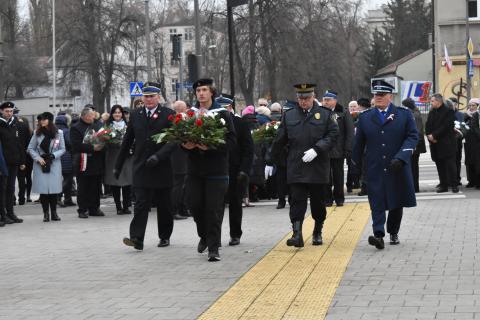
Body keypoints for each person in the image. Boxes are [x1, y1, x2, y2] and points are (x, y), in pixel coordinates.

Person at [352, 80, 418, 250]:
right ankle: (378, 235)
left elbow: (412, 137)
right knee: (376, 201)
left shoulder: (404, 114)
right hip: (374, 167)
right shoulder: (365, 117)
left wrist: (402, 157)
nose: (378, 98)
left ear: (391, 96)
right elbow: (358, 144)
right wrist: (355, 165)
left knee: (397, 200)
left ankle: (393, 231)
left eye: (382, 95)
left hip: (397, 166)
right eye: (376, 95)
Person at [271, 83, 339, 247]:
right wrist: (270, 160)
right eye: (300, 98)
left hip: (317, 165)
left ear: (313, 96)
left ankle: (317, 230)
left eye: (307, 98)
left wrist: (317, 149)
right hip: (297, 165)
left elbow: (333, 134)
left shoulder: (325, 114)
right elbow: (280, 139)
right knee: (296, 201)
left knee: (318, 203)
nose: (303, 102)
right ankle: (297, 233)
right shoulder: (290, 115)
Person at [115, 82, 176, 250]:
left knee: (164, 205)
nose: (148, 99)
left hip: (161, 166)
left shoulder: (168, 114)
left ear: (158, 97)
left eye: (152, 96)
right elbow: (127, 140)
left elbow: (173, 140)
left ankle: (164, 236)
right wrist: (118, 165)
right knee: (141, 204)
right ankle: (136, 238)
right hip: (141, 166)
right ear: (142, 97)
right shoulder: (136, 114)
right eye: (146, 96)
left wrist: (159, 156)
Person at [182, 78, 236, 261]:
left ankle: (214, 248)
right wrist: (185, 145)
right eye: (198, 91)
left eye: (204, 90)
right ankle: (204, 235)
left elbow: (231, 142)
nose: (201, 93)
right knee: (194, 205)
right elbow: (181, 137)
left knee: (213, 209)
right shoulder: (190, 114)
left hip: (216, 170)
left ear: (211, 92)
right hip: (195, 170)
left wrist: (211, 146)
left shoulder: (222, 114)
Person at [216, 93, 254, 246]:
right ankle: (214, 237)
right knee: (215, 206)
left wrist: (244, 170)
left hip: (235, 170)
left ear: (230, 107)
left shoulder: (240, 123)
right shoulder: (212, 123)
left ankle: (235, 234)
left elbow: (248, 149)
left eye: (224, 108)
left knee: (235, 204)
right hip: (217, 169)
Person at [27, 112, 66, 222]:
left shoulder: (59, 133)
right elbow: (30, 148)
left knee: (53, 190)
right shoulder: (37, 133)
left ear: (50, 120)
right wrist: (38, 158)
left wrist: (54, 155)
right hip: (41, 164)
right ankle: (46, 214)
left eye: (44, 119)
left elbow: (63, 149)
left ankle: (54, 213)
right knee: (43, 190)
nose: (42, 121)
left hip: (54, 163)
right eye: (40, 120)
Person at [70, 107, 105, 218]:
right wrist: (92, 148)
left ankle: (94, 208)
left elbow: (104, 138)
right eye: (90, 116)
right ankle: (82, 209)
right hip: (83, 162)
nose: (93, 118)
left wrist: (103, 145)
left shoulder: (98, 125)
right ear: (84, 116)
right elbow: (75, 145)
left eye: (93, 115)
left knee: (96, 186)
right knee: (83, 187)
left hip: (97, 161)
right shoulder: (76, 128)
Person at [322, 90, 354, 206]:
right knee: (325, 176)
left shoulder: (343, 113)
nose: (325, 102)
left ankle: (339, 198)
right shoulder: (320, 113)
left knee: (338, 175)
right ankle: (327, 199)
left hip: (338, 149)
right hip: (324, 150)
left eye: (328, 100)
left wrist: (348, 148)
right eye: (324, 100)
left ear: (335, 101)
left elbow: (350, 132)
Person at [425, 93, 458, 193]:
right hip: (435, 144)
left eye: (432, 101)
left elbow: (446, 126)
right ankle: (443, 185)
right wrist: (429, 135)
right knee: (440, 165)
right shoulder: (432, 112)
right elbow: (427, 125)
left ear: (438, 101)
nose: (431, 103)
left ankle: (454, 185)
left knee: (450, 165)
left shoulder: (449, 111)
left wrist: (434, 135)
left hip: (446, 143)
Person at [104, 105, 132, 215]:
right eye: (115, 112)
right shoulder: (107, 126)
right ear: (112, 114)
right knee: (115, 182)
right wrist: (109, 140)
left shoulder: (128, 125)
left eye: (119, 112)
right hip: (113, 156)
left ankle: (126, 206)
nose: (117, 114)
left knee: (127, 182)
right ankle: (118, 207)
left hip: (126, 156)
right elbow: (102, 140)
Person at [0, 101, 25, 224]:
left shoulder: (14, 124)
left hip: (14, 162)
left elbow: (18, 143)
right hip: (2, 163)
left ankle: (10, 213)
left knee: (10, 189)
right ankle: (2, 215)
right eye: (7, 111)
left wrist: (21, 160)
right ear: (1, 111)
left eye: (11, 111)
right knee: (2, 189)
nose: (9, 113)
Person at [170, 100, 190, 220]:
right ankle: (174, 210)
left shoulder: (175, 119)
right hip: (178, 156)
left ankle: (182, 208)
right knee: (178, 185)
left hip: (180, 156)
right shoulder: (178, 120)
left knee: (183, 184)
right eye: (185, 108)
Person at [402, 98, 426, 193]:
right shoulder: (412, 113)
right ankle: (413, 187)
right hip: (413, 145)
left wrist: (414, 144)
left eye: (403, 105)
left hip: (414, 146)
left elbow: (418, 131)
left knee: (413, 168)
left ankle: (414, 188)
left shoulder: (414, 115)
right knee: (412, 167)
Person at [55, 114, 76, 207]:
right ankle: (60, 198)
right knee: (68, 179)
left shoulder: (54, 131)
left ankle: (67, 199)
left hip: (56, 157)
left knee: (60, 179)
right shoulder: (66, 131)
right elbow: (70, 143)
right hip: (67, 157)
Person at [464, 99, 480, 188]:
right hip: (468, 142)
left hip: (477, 142)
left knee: (477, 162)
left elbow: (476, 129)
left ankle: (477, 182)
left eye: (473, 105)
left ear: (477, 106)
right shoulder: (466, 115)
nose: (471, 107)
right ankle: (471, 181)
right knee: (469, 162)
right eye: (470, 105)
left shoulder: (478, 115)